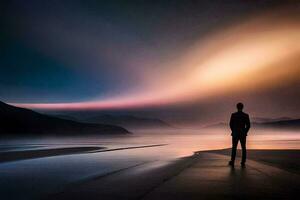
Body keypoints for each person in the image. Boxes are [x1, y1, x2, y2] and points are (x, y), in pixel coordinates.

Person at [229, 102, 251, 167]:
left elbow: (230, 124)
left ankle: (232, 161)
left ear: (237, 107)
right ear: (242, 107)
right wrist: (245, 132)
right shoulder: (245, 115)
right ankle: (243, 162)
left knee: (234, 148)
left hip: (235, 134)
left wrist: (233, 130)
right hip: (242, 134)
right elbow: (248, 125)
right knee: (243, 148)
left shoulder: (233, 115)